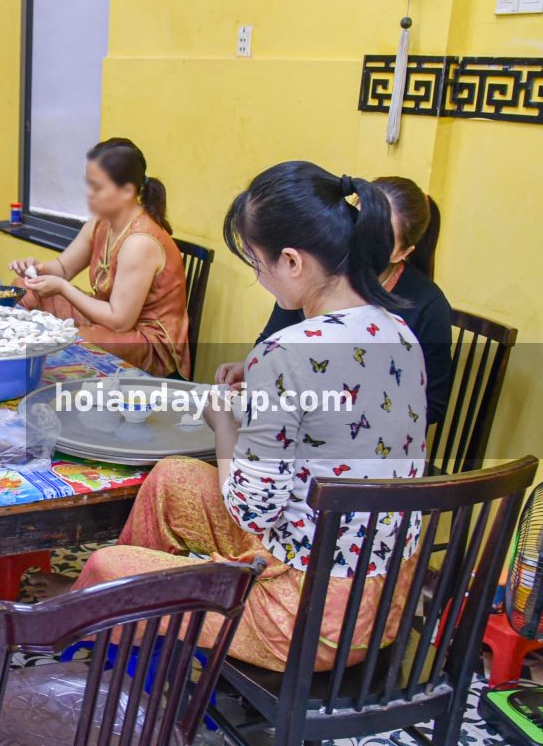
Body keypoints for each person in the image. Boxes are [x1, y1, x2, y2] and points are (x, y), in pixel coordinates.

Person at [71, 162, 428, 671]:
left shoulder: (286, 352)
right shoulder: (399, 332)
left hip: (304, 621)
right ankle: (131, 638)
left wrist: (225, 424)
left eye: (258, 264)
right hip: (378, 598)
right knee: (172, 477)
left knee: (108, 567)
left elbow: (253, 510)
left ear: (291, 260)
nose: (260, 278)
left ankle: (108, 621)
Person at [217, 176, 451, 423]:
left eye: (380, 239)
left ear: (403, 252)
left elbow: (431, 405)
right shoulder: (315, 277)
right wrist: (256, 368)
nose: (362, 242)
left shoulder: (424, 309)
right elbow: (272, 343)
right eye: (357, 224)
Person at [9, 138, 191, 377]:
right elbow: (63, 268)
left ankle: (35, 380)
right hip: (108, 318)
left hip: (146, 340)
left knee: (67, 338)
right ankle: (9, 363)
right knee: (23, 289)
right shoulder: (100, 222)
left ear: (127, 191)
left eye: (98, 187)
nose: (89, 194)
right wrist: (35, 270)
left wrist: (62, 288)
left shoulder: (139, 242)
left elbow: (120, 321)